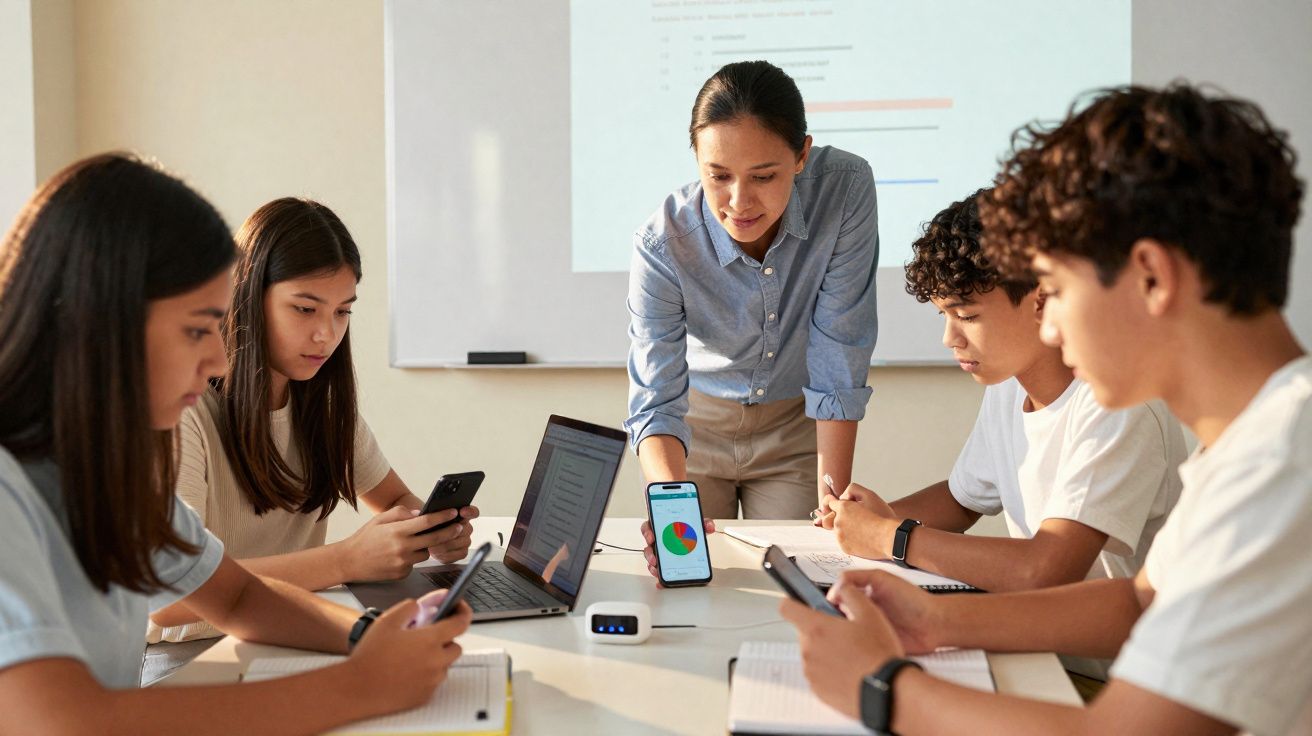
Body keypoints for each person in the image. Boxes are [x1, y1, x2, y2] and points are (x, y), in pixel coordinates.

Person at [782, 83, 1310, 735]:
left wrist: (884, 690)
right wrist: (933, 618)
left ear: (1151, 276)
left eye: (1055, 290)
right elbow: (1141, 602)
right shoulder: (1258, 440)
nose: (1052, 330)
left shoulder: (1282, 464)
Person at [0, 154, 471, 731]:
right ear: (99, 321)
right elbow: (66, 722)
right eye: (198, 329)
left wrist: (369, 637)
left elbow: (239, 598)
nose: (221, 357)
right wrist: (363, 684)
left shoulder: (104, 463)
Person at [821, 190, 1184, 617]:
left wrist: (891, 536)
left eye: (968, 317)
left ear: (1043, 299)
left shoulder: (1118, 403)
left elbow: (1046, 570)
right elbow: (961, 501)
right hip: (1045, 649)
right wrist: (861, 522)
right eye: (945, 316)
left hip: (1110, 673)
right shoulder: (1008, 385)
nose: (949, 339)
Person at [149, 198, 479, 643]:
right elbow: (168, 599)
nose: (327, 334)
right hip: (194, 659)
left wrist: (428, 532)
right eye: (305, 309)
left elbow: (395, 497)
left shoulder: (320, 408)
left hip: (291, 637)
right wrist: (345, 560)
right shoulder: (181, 413)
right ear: (245, 296)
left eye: (343, 311)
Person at [628, 59, 879, 576]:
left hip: (794, 428)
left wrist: (835, 507)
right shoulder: (662, 244)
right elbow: (656, 401)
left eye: (764, 176)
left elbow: (839, 352)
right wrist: (668, 503)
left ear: (802, 155)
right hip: (694, 432)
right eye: (718, 177)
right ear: (696, 159)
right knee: (689, 575)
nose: (739, 203)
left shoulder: (845, 189)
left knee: (805, 575)